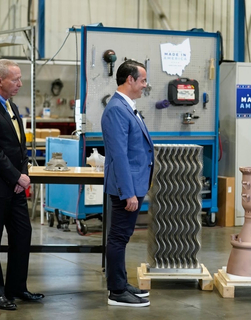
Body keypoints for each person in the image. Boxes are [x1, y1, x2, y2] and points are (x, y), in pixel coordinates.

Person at [0, 59, 44, 311]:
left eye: (20, 78)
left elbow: (19, 148)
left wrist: (21, 175)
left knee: (22, 235)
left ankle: (16, 287)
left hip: (14, 186)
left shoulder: (10, 106)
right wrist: (17, 177)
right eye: (15, 79)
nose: (20, 83)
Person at [101, 60, 154, 307]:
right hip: (126, 187)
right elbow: (119, 155)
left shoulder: (127, 106)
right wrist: (128, 193)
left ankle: (121, 283)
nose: (145, 84)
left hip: (133, 184)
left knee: (122, 236)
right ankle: (116, 291)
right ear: (130, 80)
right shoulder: (116, 109)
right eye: (142, 80)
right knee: (118, 237)